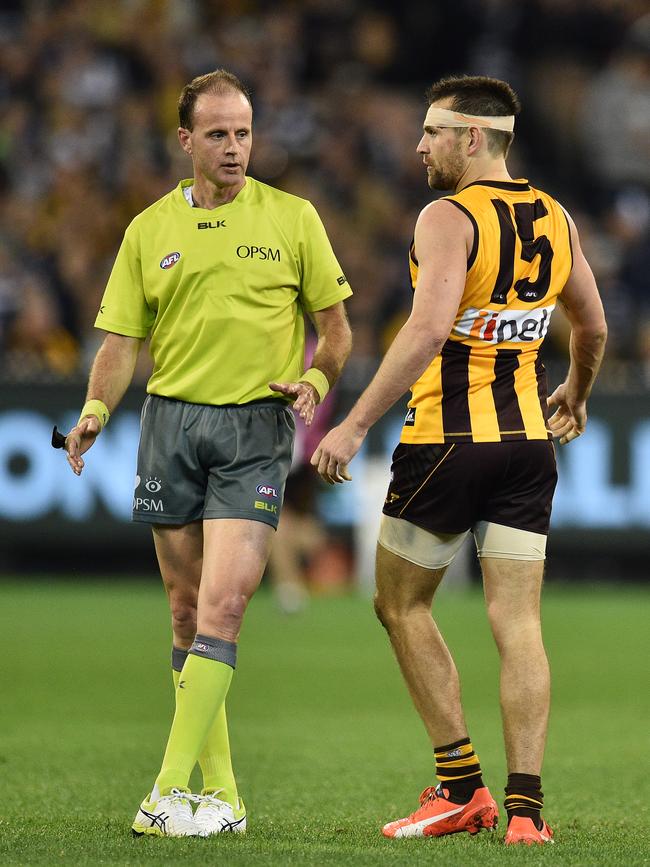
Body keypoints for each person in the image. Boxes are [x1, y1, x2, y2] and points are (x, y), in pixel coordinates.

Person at [311, 74, 607, 846]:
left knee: (400, 604)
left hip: (446, 442)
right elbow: (594, 325)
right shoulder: (555, 214)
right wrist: (574, 391)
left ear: (473, 138)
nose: (419, 147)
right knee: (519, 622)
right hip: (528, 449)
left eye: (432, 133)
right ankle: (526, 815)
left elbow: (426, 329)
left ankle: (459, 787)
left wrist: (352, 424)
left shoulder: (447, 215)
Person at [59, 69, 352, 838]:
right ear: (185, 140)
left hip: (255, 429)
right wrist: (94, 410)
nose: (234, 147)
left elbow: (339, 327)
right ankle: (224, 796)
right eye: (218, 133)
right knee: (187, 614)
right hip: (170, 425)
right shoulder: (149, 229)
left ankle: (164, 790)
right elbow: (122, 343)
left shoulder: (294, 218)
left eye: (245, 132)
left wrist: (318, 377)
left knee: (226, 604)